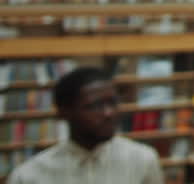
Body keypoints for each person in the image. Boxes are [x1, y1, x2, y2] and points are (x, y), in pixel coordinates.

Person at [9, 66, 163, 184]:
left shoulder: (143, 160)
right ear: (64, 112)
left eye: (113, 103)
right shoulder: (29, 176)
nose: (108, 113)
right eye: (94, 106)